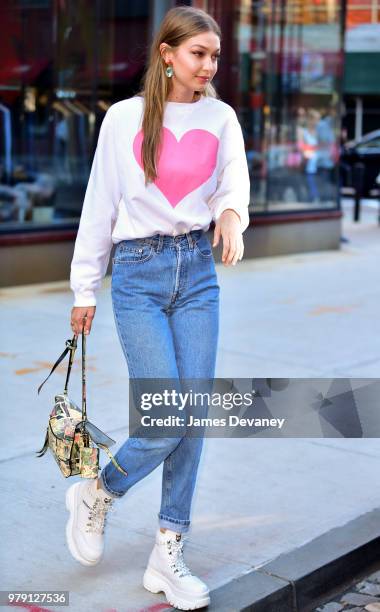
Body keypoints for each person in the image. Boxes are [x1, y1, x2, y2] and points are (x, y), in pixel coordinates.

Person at [66, 6, 250, 611]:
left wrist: (230, 216)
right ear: (167, 53)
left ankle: (167, 554)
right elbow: (100, 203)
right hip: (139, 276)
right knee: (167, 418)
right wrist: (84, 287)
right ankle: (100, 490)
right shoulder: (122, 120)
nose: (208, 65)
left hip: (197, 272)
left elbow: (232, 182)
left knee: (191, 417)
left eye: (215, 56)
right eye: (198, 53)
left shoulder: (221, 118)